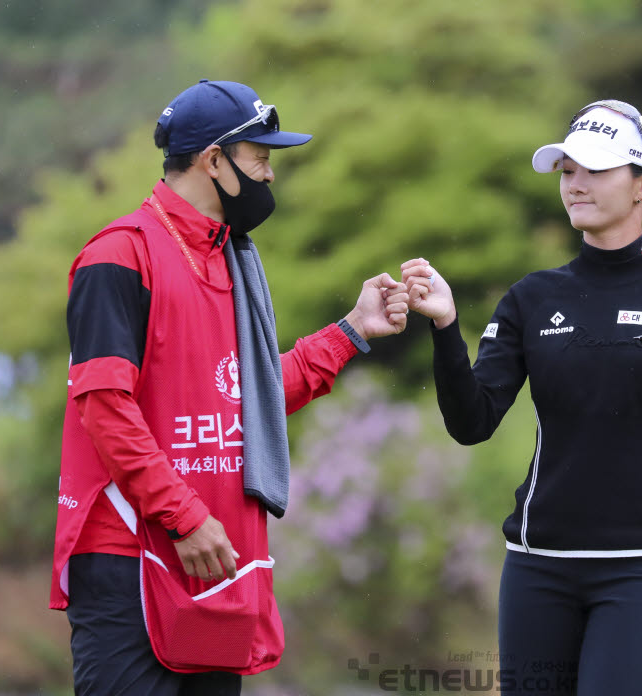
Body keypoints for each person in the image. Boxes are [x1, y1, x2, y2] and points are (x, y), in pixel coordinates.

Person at [50, 79, 409, 695]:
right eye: (260, 157)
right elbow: (104, 409)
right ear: (213, 159)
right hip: (132, 555)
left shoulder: (230, 257)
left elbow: (252, 401)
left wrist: (351, 331)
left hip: (217, 556)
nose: (270, 175)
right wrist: (185, 517)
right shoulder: (118, 256)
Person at [401, 100, 642, 695]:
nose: (575, 183)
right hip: (539, 563)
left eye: (594, 169)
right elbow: (472, 422)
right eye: (566, 171)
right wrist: (445, 326)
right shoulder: (531, 298)